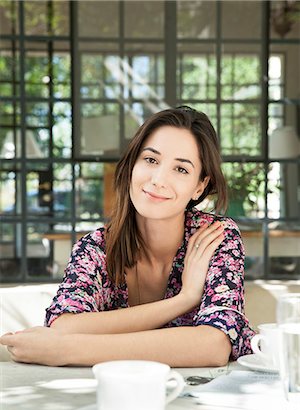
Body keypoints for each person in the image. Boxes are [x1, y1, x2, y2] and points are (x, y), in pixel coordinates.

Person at [0, 106, 255, 367]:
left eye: (181, 169)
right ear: (132, 164)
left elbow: (214, 345)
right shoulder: (95, 249)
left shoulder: (214, 238)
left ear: (199, 186)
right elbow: (63, 326)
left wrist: (68, 350)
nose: (158, 180)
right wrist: (184, 300)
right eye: (151, 160)